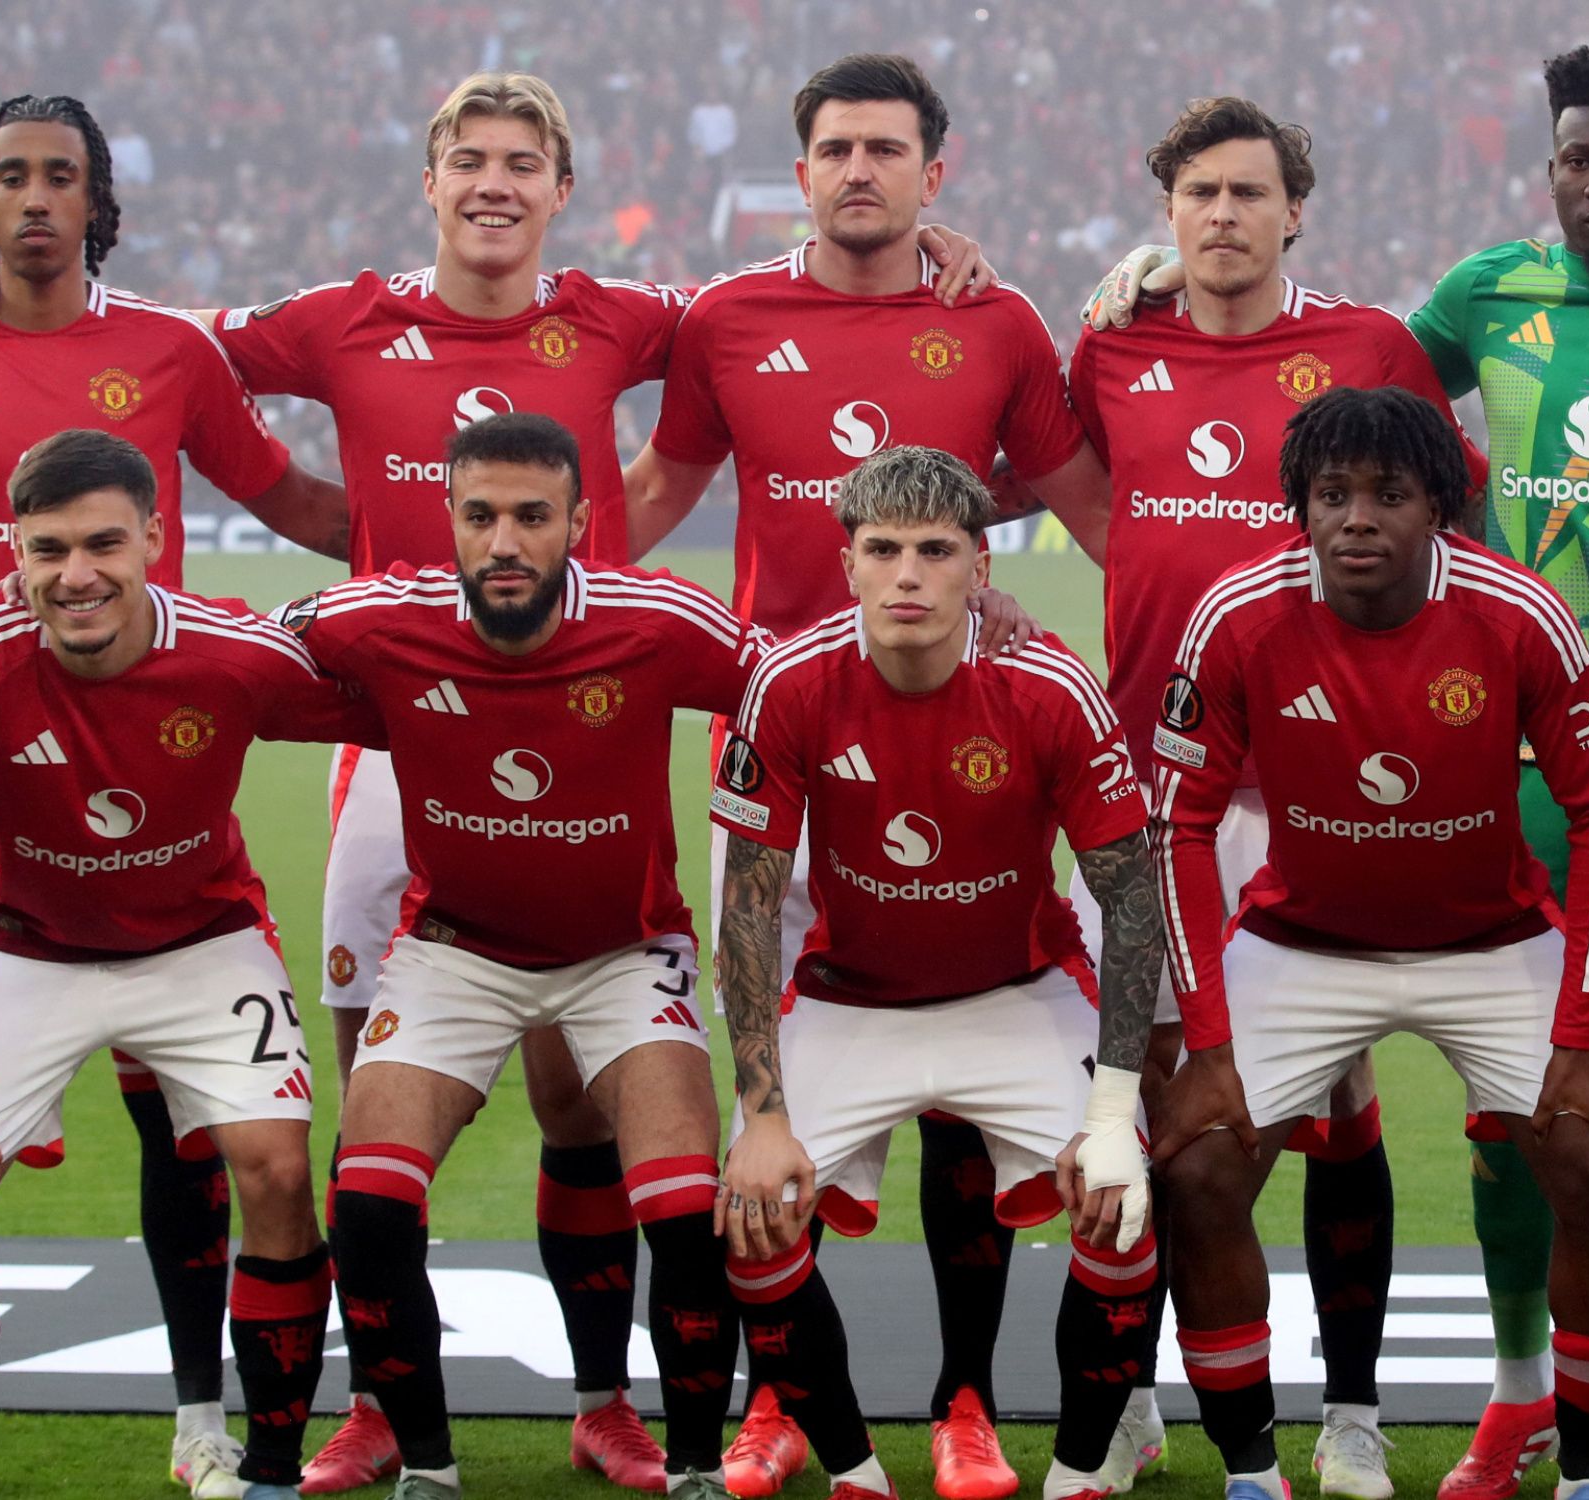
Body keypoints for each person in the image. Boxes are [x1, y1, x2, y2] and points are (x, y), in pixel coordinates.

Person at [0, 73, 999, 1488]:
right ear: (430, 180)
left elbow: (787, 298)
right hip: (398, 733)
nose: (494, 183)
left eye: (522, 162)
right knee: (373, 1099)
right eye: (469, 159)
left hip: (578, 712)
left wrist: (928, 254)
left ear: (561, 188)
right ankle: (380, 1407)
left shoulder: (629, 317)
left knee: (577, 1104)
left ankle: (606, 1402)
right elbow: (158, 339)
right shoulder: (343, 319)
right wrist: (7, 291)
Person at [1083, 49, 1589, 1496]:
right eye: (1579, 156)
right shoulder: (1484, 296)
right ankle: (1519, 1402)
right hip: (1518, 761)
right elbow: (1351, 393)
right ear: (1551, 166)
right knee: (1528, 1138)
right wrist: (1177, 272)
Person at [0, 94, 348, 1500]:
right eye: (11, 177)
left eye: (61, 177)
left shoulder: (166, 349)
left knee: (187, 1127)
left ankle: (200, 1419)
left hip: (143, 763)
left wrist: (456, 557)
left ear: (98, 201)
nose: (35, 198)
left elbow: (285, 495)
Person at [625, 53, 1115, 1499]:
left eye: (886, 149)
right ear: (800, 172)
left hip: (958, 739)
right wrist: (526, 601)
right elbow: (652, 493)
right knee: (769, 1098)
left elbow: (1088, 503)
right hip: (781, 746)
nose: (858, 169)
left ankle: (967, 1400)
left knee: (965, 1095)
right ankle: (783, 1404)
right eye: (835, 148)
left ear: (933, 173)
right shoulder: (725, 318)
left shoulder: (995, 318)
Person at [1052, 93, 1472, 1500]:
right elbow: (1064, 484)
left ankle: (1350, 1412)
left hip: (1312, 791)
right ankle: (1129, 1399)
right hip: (1148, 788)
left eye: (1248, 193)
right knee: (1150, 1104)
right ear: (1166, 213)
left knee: (1340, 1100)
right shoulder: (1112, 344)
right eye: (1199, 194)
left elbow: (1448, 517)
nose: (1222, 215)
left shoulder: (1369, 348)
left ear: (1296, 210)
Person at [1149, 386, 1589, 1500]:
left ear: (1440, 509)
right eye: (1332, 495)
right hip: (1303, 943)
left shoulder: (1519, 611)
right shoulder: (1237, 613)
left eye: (1389, 494)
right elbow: (1177, 821)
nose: (1357, 519)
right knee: (1201, 1164)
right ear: (1301, 507)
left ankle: (1588, 1476)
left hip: (1492, 942)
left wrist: (1584, 1036)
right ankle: (1251, 1474)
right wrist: (1209, 1042)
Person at [0, 429, 378, 1500]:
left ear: (155, 537)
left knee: (277, 1171)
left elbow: (393, 704)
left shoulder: (232, 652)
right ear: (15, 551)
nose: (77, 575)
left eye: (104, 544)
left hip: (201, 940)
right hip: (28, 943)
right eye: (49, 549)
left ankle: (269, 1473)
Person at [282, 413, 764, 1500]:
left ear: (580, 524)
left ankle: (689, 1466)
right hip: (455, 950)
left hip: (623, 953)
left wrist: (978, 628)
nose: (505, 543)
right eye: (481, 516)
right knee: (367, 1202)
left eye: (533, 517)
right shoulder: (383, 618)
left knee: (685, 1213)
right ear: (449, 521)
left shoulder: (656, 621)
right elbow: (239, 652)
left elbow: (799, 682)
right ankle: (427, 1468)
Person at [706, 445, 1164, 1500]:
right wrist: (762, 1113)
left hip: (1018, 993)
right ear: (848, 565)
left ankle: (1078, 1476)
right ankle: (856, 1472)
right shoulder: (790, 683)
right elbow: (750, 910)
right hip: (850, 997)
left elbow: (1133, 907)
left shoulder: (1050, 687)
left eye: (935, 550)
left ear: (980, 565)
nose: (907, 574)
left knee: (1119, 1195)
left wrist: (1111, 1112)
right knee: (755, 1213)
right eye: (882, 550)